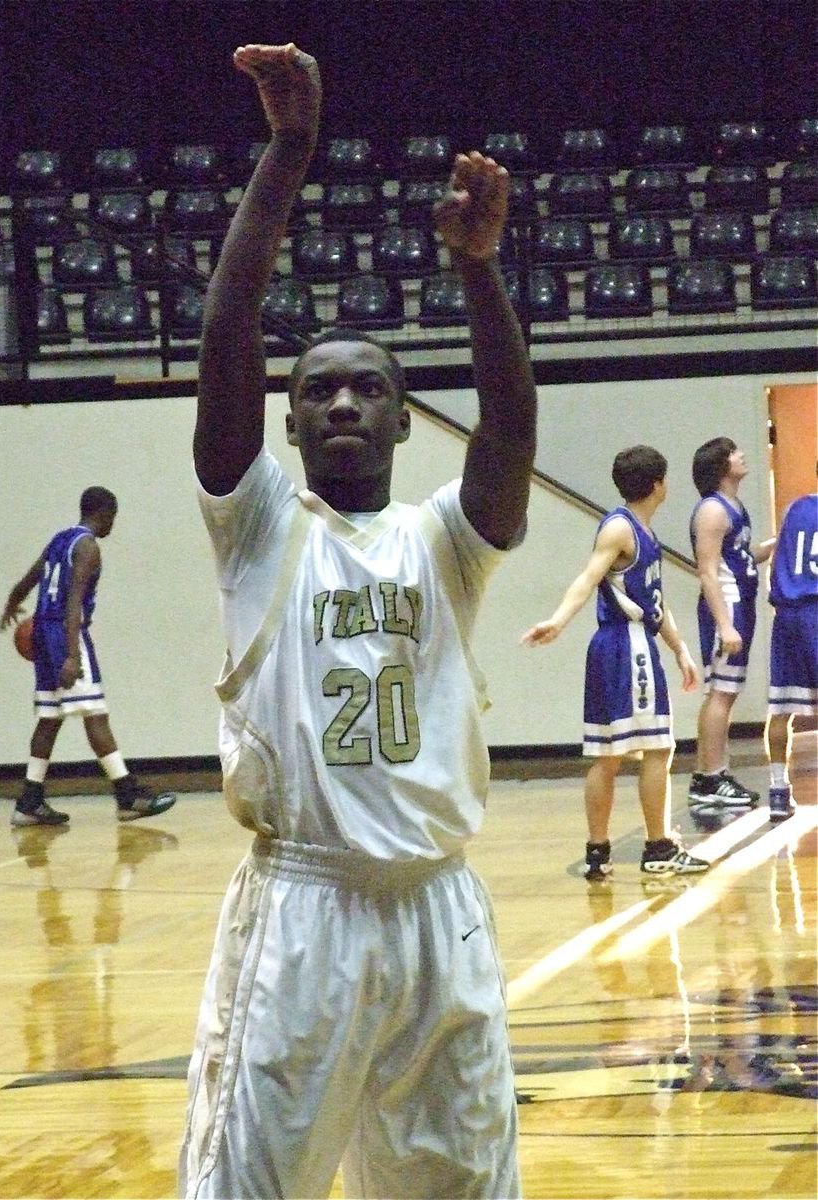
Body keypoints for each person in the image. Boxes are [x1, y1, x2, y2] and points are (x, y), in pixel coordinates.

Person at [178, 42, 536, 1200]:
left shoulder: (442, 540)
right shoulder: (264, 528)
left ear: (401, 423)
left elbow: (513, 433)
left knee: (461, 1184)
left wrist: (477, 271)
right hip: (304, 908)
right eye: (317, 389)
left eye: (367, 387)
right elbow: (229, 335)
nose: (341, 400)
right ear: (286, 430)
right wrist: (288, 153)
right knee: (252, 1184)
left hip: (439, 907)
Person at [521, 446, 709, 880]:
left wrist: (679, 649)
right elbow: (587, 579)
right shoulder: (622, 529)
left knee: (608, 755)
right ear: (658, 484)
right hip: (629, 649)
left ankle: (598, 852)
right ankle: (659, 847)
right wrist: (558, 620)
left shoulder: (638, 529)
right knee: (656, 748)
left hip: (620, 646)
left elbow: (654, 602)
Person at [0, 487, 176, 827]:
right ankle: (127, 796)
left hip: (43, 632)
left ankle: (29, 801)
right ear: (104, 513)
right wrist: (71, 655)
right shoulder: (88, 547)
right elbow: (73, 601)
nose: (113, 524)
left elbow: (32, 576)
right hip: (66, 632)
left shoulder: (59, 539)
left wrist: (12, 600)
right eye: (114, 517)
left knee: (50, 716)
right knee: (95, 713)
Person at [687, 438, 775, 807]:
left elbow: (741, 557)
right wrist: (725, 624)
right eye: (735, 452)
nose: (742, 455)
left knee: (728, 692)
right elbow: (707, 572)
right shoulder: (712, 510)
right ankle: (710, 777)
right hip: (727, 608)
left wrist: (777, 543)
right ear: (722, 465)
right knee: (720, 692)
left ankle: (714, 772)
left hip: (742, 604)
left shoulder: (733, 506)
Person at [764, 491, 818, 821]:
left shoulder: (793, 507)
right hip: (815, 608)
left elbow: (776, 560)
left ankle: (778, 792)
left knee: (782, 709)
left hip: (786, 615)